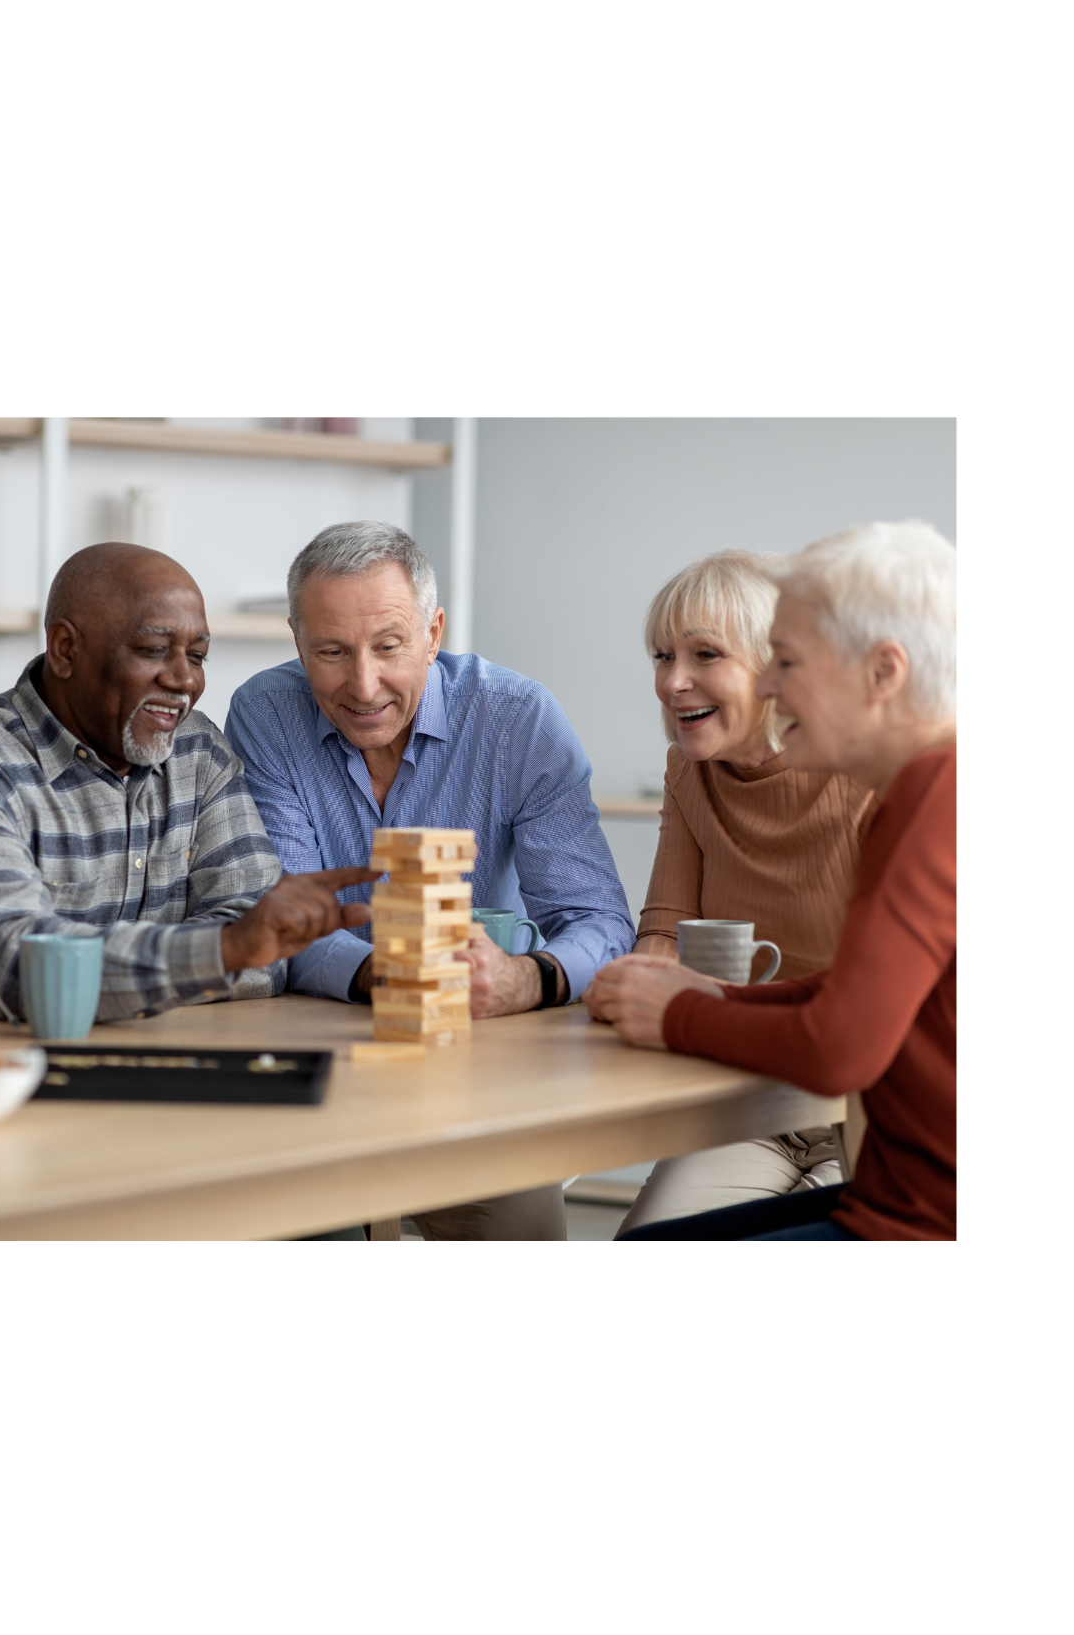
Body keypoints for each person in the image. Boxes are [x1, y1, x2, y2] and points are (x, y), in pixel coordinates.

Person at [224, 520, 635, 1242]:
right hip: (321, 1054)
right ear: (295, 641)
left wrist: (522, 980)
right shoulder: (264, 713)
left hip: (479, 1063)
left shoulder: (518, 721)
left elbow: (600, 924)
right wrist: (398, 975)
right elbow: (280, 919)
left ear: (432, 631)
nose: (362, 684)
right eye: (330, 652)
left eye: (388, 647)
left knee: (517, 1229)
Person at [585, 521, 956, 1241]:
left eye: (786, 661)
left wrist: (679, 1013)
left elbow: (839, 1045)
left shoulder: (933, 801)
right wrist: (703, 995)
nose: (773, 687)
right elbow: (847, 989)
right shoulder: (922, 790)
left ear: (882, 674)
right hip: (883, 1185)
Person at [0, 543, 373, 1024]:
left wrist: (231, 950)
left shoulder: (197, 750)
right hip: (19, 1079)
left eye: (198, 656)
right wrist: (222, 951)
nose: (184, 680)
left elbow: (268, 958)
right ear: (65, 649)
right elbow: (13, 970)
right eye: (152, 650)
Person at [612, 550, 874, 1233]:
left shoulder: (864, 778)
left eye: (705, 655)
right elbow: (665, 930)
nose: (674, 682)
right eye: (661, 657)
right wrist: (638, 977)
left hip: (870, 1104)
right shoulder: (689, 772)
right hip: (746, 1100)